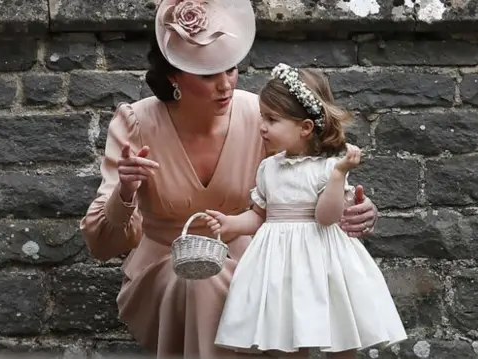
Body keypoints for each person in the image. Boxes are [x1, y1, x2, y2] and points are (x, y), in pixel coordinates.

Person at [79, 0, 380, 357]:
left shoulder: (262, 118)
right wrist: (126, 190)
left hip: (257, 261)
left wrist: (358, 209)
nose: (225, 85)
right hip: (168, 267)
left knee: (274, 284)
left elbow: (310, 180)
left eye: (231, 70)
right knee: (199, 280)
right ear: (175, 75)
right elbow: (101, 243)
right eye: (208, 75)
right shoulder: (136, 123)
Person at [205, 63, 407, 359]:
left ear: (305, 127)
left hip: (324, 262)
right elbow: (260, 215)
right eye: (263, 117)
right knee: (287, 337)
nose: (262, 126)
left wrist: (339, 175)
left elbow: (326, 218)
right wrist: (232, 224)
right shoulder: (268, 168)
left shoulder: (327, 168)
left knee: (339, 333)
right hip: (279, 266)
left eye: (272, 119)